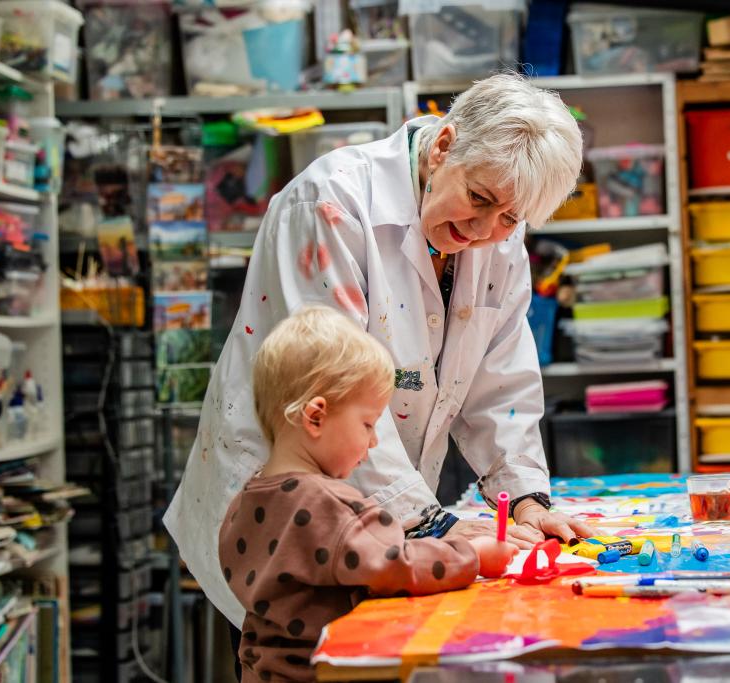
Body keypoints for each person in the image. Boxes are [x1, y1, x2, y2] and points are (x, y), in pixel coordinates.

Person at [164, 72, 597, 631]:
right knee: (292, 658)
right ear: (443, 146)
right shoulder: (330, 204)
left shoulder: (501, 234)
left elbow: (501, 379)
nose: (485, 229)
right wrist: (430, 525)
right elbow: (332, 390)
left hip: (384, 518)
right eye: (479, 199)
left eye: (511, 218)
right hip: (280, 513)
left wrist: (526, 500)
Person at [220, 306, 515, 681]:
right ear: (315, 417)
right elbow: (397, 567)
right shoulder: (324, 505)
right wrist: (472, 556)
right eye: (368, 424)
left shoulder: (244, 501)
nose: (374, 442)